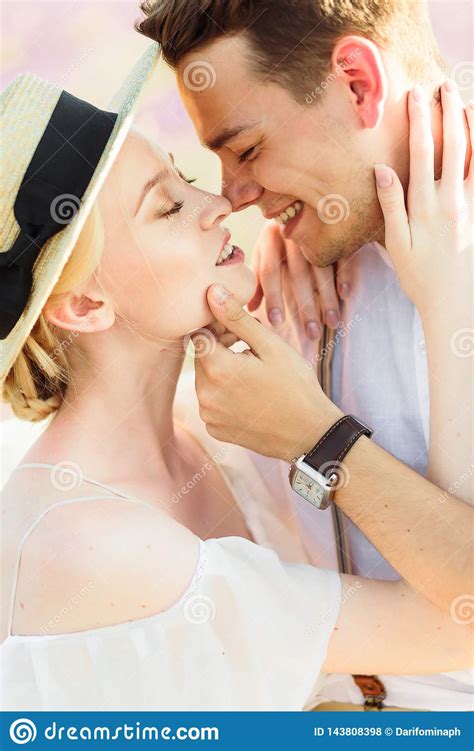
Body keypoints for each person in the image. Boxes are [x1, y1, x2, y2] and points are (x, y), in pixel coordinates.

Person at [0, 47, 470, 711]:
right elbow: (461, 617)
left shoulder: (205, 439)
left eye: (185, 178)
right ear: (82, 305)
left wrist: (307, 234)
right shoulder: (92, 539)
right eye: (165, 208)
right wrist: (447, 291)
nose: (218, 203)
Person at [136, 0, 474, 709]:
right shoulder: (310, 263)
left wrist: (317, 439)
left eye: (248, 149)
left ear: (357, 83)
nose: (230, 196)